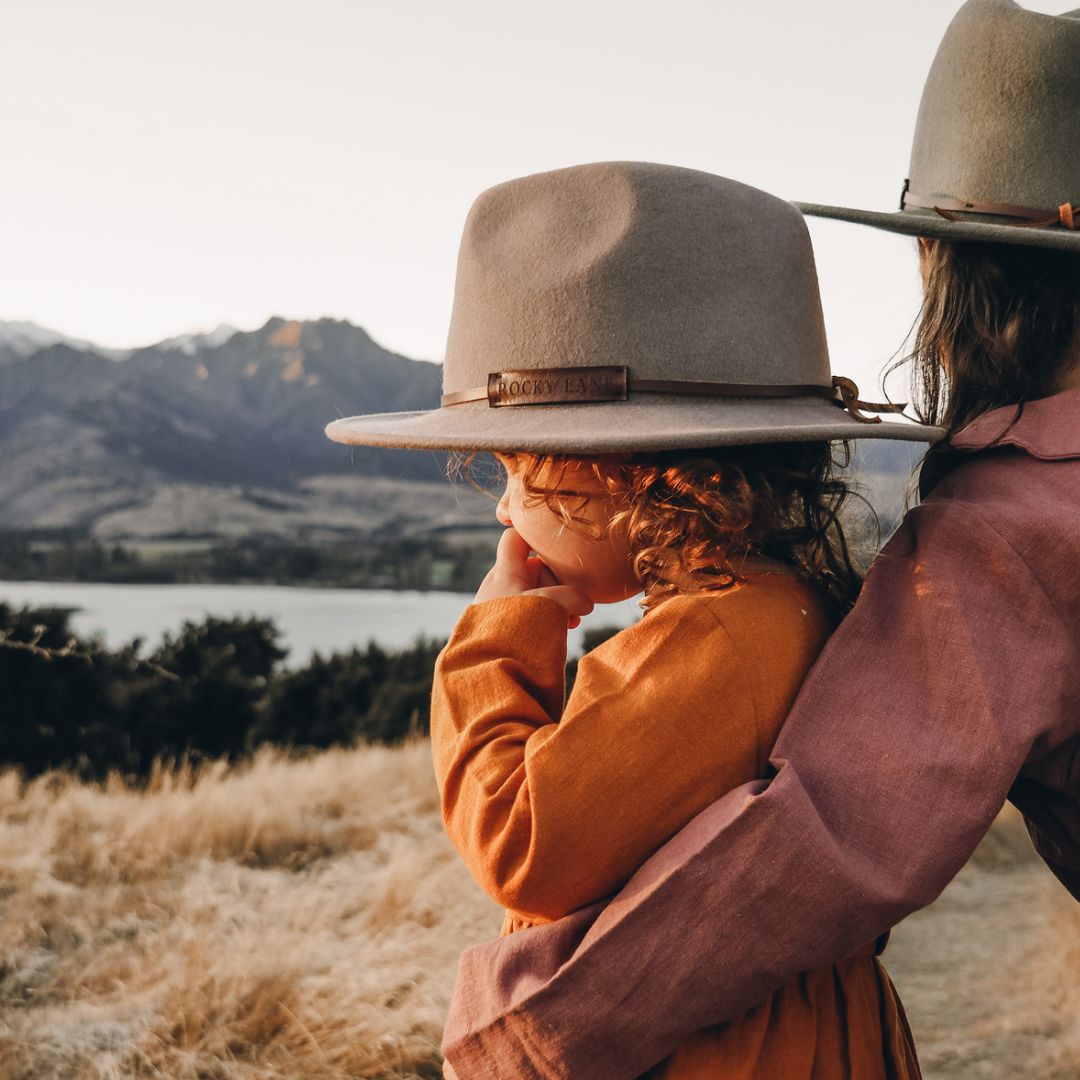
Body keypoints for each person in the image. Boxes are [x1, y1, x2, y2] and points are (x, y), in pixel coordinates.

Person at [427, 2, 1080, 1076]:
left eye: (517, 467)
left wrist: (522, 1040)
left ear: (957, 278)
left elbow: (827, 843)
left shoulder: (1008, 535)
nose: (503, 506)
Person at [325, 160, 941, 1076]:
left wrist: (500, 637)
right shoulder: (771, 607)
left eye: (519, 474)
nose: (503, 512)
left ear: (633, 476)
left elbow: (522, 838)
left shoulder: (719, 635)